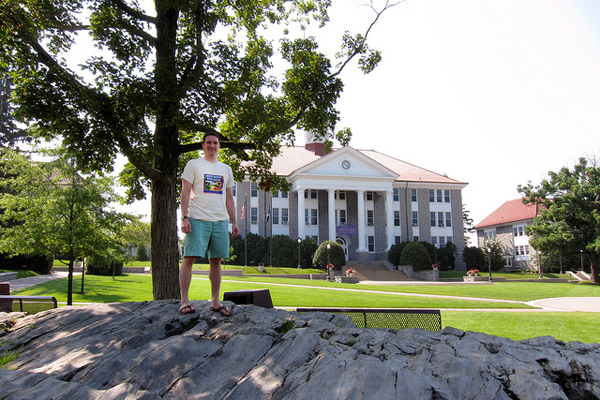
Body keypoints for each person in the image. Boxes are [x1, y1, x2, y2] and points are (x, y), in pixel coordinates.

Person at [179, 132, 240, 316]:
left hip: (220, 221)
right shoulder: (194, 164)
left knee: (216, 261)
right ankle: (184, 301)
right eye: (208, 143)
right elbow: (185, 193)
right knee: (189, 258)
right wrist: (184, 217)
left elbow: (229, 197)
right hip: (197, 218)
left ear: (219, 146)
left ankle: (215, 302)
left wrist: (234, 221)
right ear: (203, 145)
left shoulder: (226, 169)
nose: (212, 146)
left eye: (215, 143)